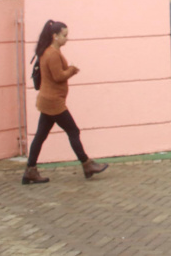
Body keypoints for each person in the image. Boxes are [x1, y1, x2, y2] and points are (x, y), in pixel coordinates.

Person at [22, 20, 109, 185]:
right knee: (73, 130)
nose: (67, 38)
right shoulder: (52, 54)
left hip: (48, 100)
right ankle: (87, 165)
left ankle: (30, 171)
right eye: (64, 35)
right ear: (55, 36)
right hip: (54, 102)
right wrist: (71, 70)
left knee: (41, 136)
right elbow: (58, 76)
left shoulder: (48, 52)